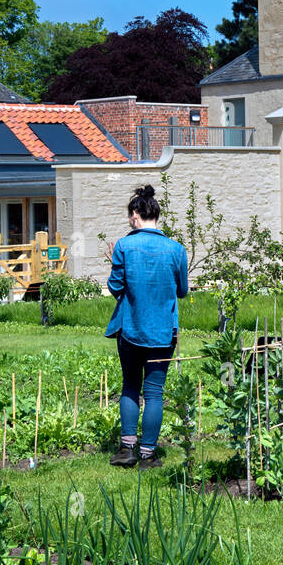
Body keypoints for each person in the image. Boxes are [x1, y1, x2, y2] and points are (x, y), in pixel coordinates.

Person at [106, 184, 189, 468]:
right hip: (163, 332)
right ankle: (148, 454)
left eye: (130, 216)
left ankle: (127, 449)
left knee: (130, 386)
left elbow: (115, 288)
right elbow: (182, 291)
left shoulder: (124, 246)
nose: (129, 220)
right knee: (154, 392)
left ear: (136, 215)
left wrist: (113, 264)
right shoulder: (177, 250)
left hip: (130, 330)